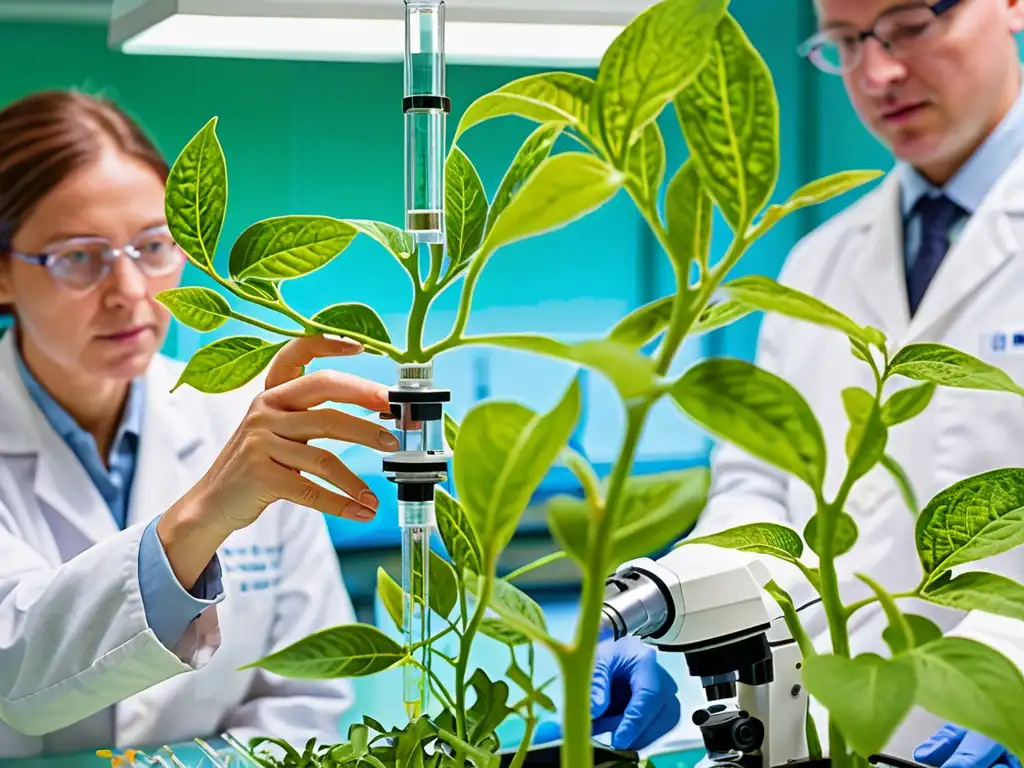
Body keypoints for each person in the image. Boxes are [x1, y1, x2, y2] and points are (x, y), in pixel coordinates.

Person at [578, 0, 1024, 765]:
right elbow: (758, 497)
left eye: (912, 22)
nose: (878, 72)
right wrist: (656, 607)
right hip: (829, 734)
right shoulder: (818, 265)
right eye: (846, 43)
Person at [0, 90, 399, 759]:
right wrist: (207, 512)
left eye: (153, 246)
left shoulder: (246, 418)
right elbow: (16, 673)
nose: (130, 290)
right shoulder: (248, 450)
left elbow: (304, 698)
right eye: (79, 256)